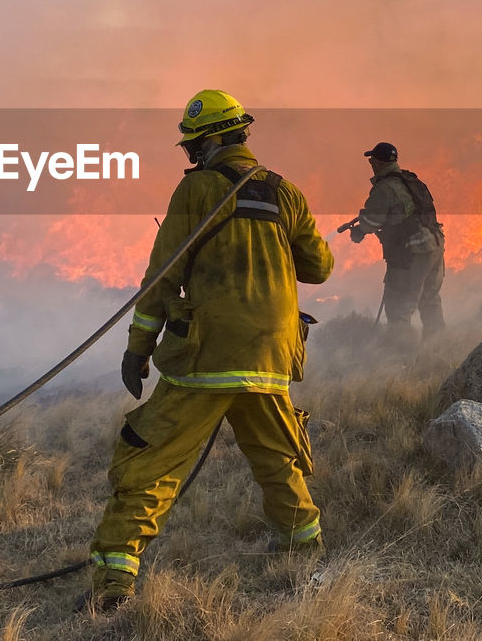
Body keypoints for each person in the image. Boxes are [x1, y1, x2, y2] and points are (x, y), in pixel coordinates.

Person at [85, 89, 335, 609]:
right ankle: (302, 546)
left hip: (206, 355)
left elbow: (163, 273)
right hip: (271, 355)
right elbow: (319, 268)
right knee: (276, 457)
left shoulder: (196, 191)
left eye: (194, 145)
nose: (191, 155)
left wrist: (139, 347)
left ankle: (113, 577)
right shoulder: (284, 193)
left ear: (216, 138)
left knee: (150, 458)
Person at [348, 142, 445, 340]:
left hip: (412, 253)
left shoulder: (385, 188)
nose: (371, 163)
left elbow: (371, 220)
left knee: (399, 309)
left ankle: (399, 359)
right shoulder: (409, 180)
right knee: (430, 301)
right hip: (435, 245)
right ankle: (440, 351)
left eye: (372, 160)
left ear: (378, 162)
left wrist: (358, 232)